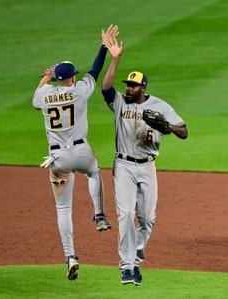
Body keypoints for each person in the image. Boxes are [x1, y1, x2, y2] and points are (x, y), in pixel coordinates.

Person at [32, 25, 119, 281]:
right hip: (81, 151)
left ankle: (70, 256)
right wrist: (104, 46)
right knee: (93, 173)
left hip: (58, 159)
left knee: (63, 209)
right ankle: (100, 215)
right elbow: (95, 70)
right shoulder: (80, 89)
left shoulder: (45, 95)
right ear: (71, 78)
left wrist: (46, 77)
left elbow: (36, 97)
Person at [101, 36, 188, 286]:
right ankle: (127, 266)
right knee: (126, 214)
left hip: (148, 165)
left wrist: (168, 127)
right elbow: (106, 88)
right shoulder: (119, 103)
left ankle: (136, 256)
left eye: (133, 86)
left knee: (147, 217)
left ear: (143, 88)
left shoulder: (160, 105)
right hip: (124, 166)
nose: (128, 88)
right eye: (127, 85)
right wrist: (115, 59)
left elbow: (184, 131)